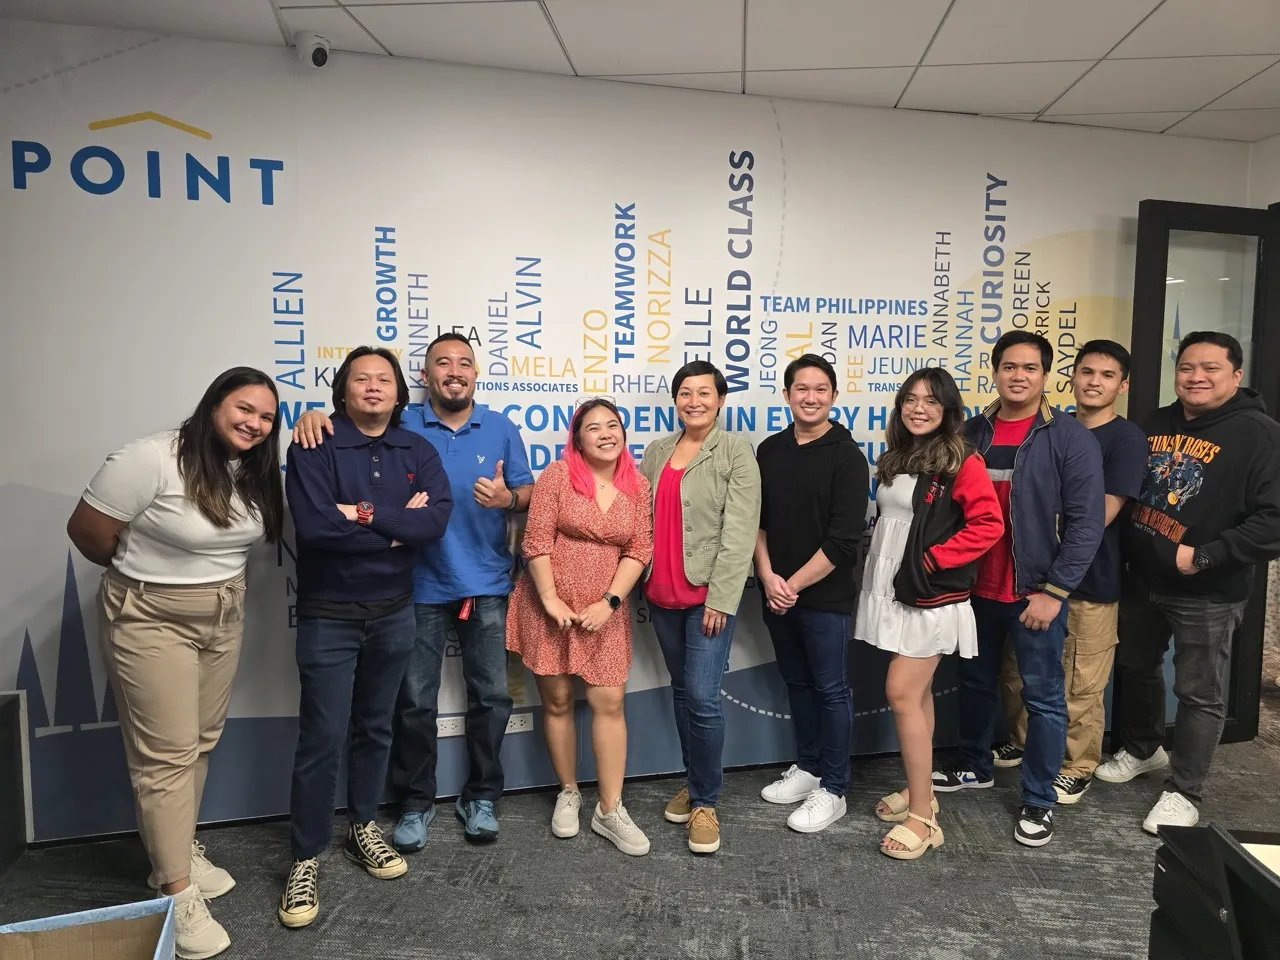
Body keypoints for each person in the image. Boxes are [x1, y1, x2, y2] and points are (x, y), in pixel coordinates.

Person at [66, 367, 285, 960]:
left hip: (224, 611)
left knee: (200, 742)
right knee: (164, 755)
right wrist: (148, 580)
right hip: (150, 616)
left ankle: (176, 850)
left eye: (267, 417)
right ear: (214, 404)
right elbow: (88, 533)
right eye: (244, 409)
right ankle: (175, 891)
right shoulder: (150, 458)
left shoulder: (252, 468)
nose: (255, 424)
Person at [293, 332, 533, 850]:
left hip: (485, 581)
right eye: (442, 363)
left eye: (464, 363)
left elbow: (525, 492)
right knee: (414, 703)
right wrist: (312, 416)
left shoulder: (500, 427)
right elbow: (352, 427)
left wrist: (508, 498)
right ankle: (415, 802)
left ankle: (482, 796)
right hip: (416, 585)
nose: (454, 371)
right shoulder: (404, 426)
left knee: (492, 696)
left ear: (476, 374)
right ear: (424, 377)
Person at [279, 347, 452, 929]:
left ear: (400, 391)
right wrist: (397, 524)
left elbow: (433, 523)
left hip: (395, 611)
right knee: (322, 735)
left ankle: (362, 826)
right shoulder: (314, 443)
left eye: (384, 379)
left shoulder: (417, 449)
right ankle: (305, 856)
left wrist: (363, 512)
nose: (373, 387)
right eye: (361, 379)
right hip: (329, 613)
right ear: (343, 390)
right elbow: (315, 528)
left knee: (377, 727)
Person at [1100, 330, 1280, 834]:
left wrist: (1203, 556)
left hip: (1207, 589)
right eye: (1186, 368)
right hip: (1142, 579)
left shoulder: (1260, 435)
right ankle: (1144, 749)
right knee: (1136, 667)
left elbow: (1273, 521)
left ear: (1236, 375)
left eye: (1210, 368)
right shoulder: (1154, 423)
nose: (1196, 377)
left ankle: (1184, 791)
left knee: (1199, 692)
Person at [932, 331, 1104, 848]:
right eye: (1009, 366)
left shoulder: (1069, 437)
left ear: (1046, 376)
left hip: (1035, 592)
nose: (1019, 376)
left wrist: (1055, 591)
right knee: (974, 683)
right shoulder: (970, 432)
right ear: (995, 372)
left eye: (1030, 368)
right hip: (973, 589)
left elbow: (1086, 524)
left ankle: (1038, 798)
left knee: (1044, 698)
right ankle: (975, 765)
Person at [857, 367, 1003, 860]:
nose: (918, 408)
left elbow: (988, 524)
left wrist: (931, 560)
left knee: (900, 692)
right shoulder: (898, 455)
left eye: (931, 401)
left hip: (930, 594)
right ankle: (921, 791)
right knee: (916, 697)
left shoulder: (962, 459)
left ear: (948, 410)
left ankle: (924, 818)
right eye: (910, 399)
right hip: (895, 586)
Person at [992, 341, 1148, 805]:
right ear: (1071, 376)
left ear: (1123, 385)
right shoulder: (1048, 429)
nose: (1093, 382)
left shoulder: (1124, 439)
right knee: (1020, 673)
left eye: (1106, 375)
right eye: (1086, 372)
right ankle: (1027, 744)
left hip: (1088, 582)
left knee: (1079, 681)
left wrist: (1046, 534)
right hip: (1030, 579)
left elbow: (1096, 516)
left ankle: (1077, 765)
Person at [506, 398, 654, 854]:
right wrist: (550, 598)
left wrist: (609, 602)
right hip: (548, 607)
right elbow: (536, 541)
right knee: (557, 701)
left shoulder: (638, 484)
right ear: (577, 439)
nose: (606, 433)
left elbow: (639, 550)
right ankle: (568, 791)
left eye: (613, 425)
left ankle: (610, 809)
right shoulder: (557, 475)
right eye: (594, 427)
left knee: (609, 702)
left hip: (604, 613)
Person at [638, 361, 761, 855]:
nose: (694, 402)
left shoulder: (735, 451)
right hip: (661, 594)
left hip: (707, 599)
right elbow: (638, 517)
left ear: (720, 400)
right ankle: (694, 781)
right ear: (676, 400)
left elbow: (740, 530)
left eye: (704, 393)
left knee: (704, 698)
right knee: (682, 691)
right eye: (685, 393)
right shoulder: (656, 451)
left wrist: (722, 598)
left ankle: (707, 800)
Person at [754, 355, 869, 834]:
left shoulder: (848, 457)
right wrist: (768, 577)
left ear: (834, 396)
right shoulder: (769, 450)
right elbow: (756, 523)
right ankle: (809, 767)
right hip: (775, 593)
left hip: (824, 597)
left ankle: (834, 788)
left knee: (830, 689)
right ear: (786, 395)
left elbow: (844, 541)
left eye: (821, 389)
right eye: (801, 389)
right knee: (797, 683)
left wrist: (792, 585)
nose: (811, 397)